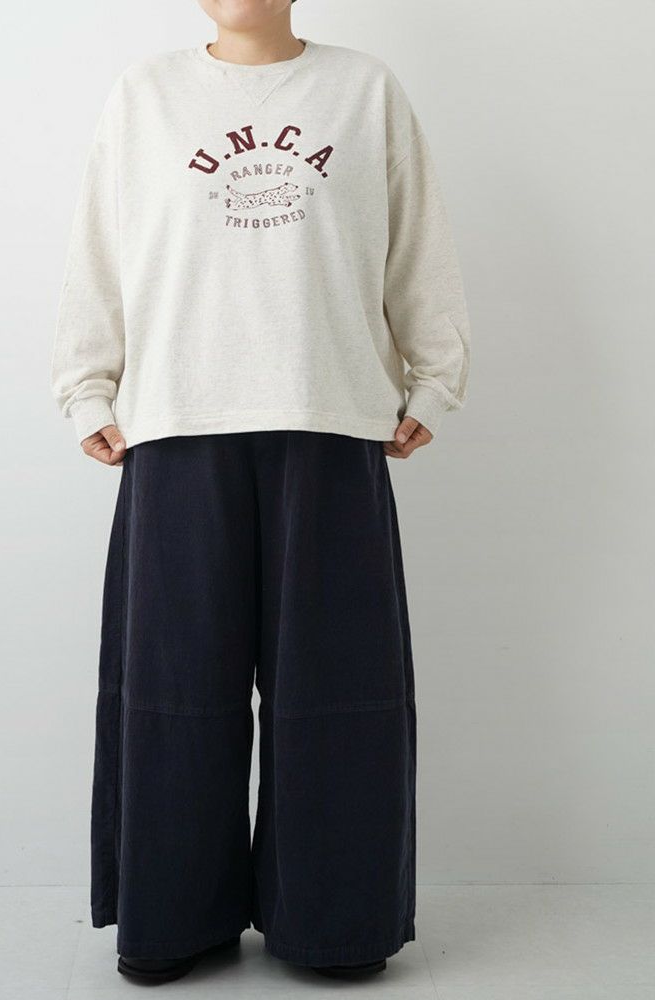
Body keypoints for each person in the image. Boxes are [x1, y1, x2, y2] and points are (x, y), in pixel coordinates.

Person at [50, 0, 471, 985]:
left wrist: (435, 377)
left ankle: (333, 921)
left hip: (330, 418)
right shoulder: (146, 96)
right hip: (175, 424)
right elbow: (99, 251)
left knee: (339, 692)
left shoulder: (362, 91)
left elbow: (417, 245)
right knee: (172, 691)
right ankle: (173, 916)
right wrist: (86, 386)